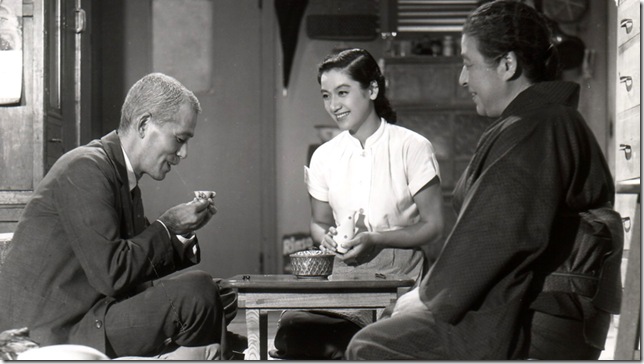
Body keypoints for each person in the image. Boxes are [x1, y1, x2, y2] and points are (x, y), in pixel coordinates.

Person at [346, 0, 623, 360]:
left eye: (468, 63)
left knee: (370, 345)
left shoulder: (538, 127)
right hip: (543, 311)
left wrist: (430, 296)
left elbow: (497, 232)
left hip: (531, 321)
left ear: (507, 65)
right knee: (383, 325)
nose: (462, 78)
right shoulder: (546, 121)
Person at [0, 73, 245, 360]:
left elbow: (133, 265)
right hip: (51, 333)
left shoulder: (117, 174)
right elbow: (113, 274)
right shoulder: (85, 169)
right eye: (180, 139)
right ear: (144, 124)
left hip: (86, 314)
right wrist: (169, 225)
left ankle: (213, 349)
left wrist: (181, 233)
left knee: (217, 292)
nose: (184, 153)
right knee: (199, 290)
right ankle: (216, 351)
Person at [270, 48, 445, 359]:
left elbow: (434, 226)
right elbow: (318, 222)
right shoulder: (324, 155)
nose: (333, 105)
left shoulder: (412, 147)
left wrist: (376, 238)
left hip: (397, 272)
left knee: (363, 343)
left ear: (372, 90)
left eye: (342, 92)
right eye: (326, 95)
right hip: (342, 271)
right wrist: (324, 236)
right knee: (292, 334)